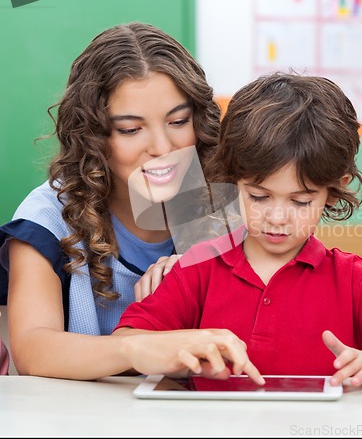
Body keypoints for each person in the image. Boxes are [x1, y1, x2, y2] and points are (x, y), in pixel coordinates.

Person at [113, 72, 362, 388]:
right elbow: (127, 343)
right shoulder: (198, 269)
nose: (277, 217)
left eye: (300, 202)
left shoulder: (352, 282)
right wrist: (178, 350)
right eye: (258, 196)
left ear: (334, 188)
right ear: (233, 181)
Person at [0, 21, 261, 383]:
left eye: (178, 121)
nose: (162, 148)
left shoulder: (229, 205)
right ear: (93, 136)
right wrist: (137, 348)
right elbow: (31, 350)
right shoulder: (48, 217)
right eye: (130, 129)